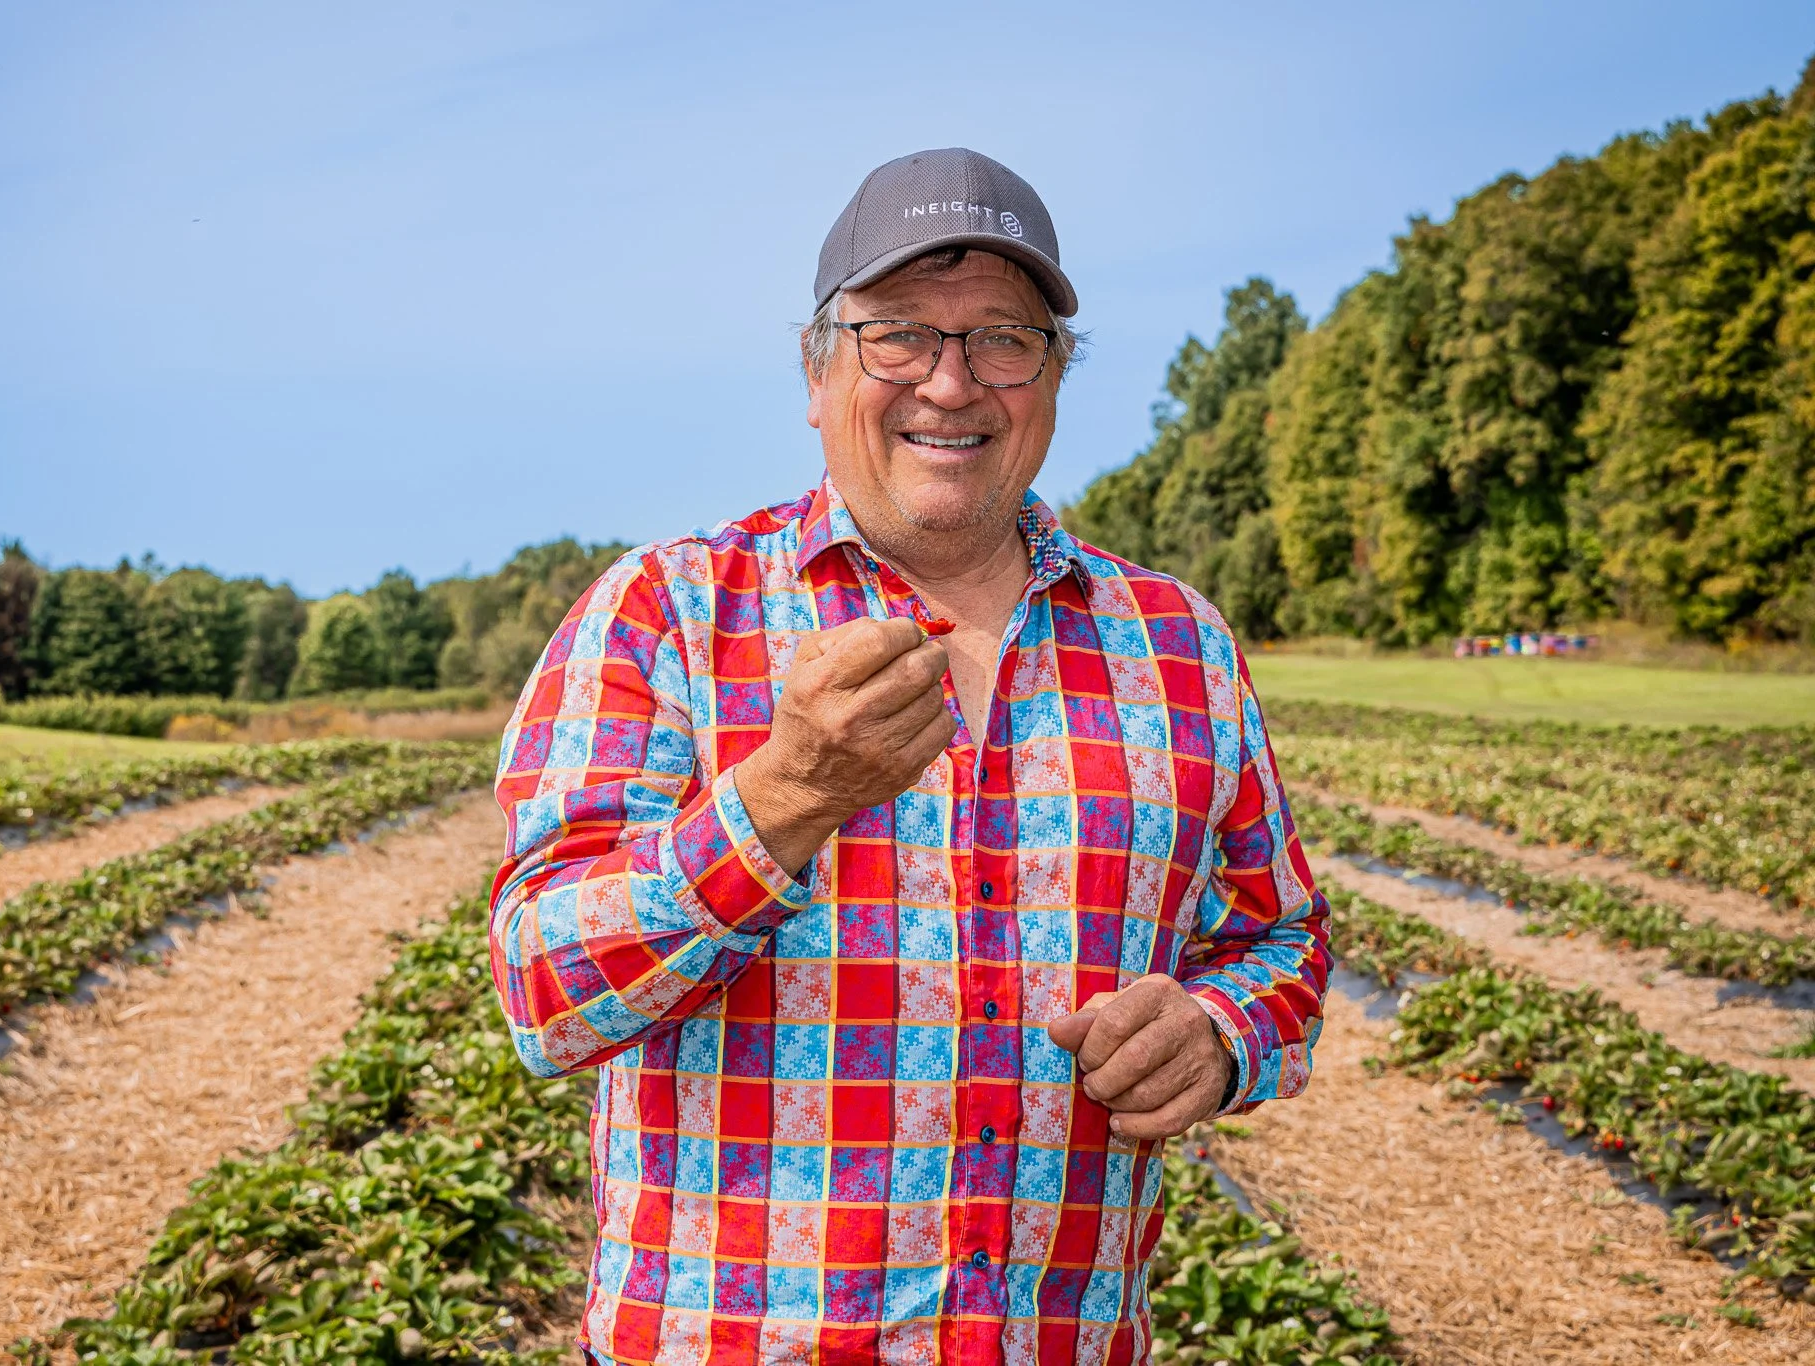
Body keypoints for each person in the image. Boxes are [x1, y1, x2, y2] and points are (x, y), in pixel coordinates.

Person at [490, 147, 1331, 1366]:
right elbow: (543, 996)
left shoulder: (1176, 642)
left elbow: (1281, 938)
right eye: (897, 334)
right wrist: (783, 799)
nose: (951, 381)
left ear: (1050, 377)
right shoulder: (666, 612)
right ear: (818, 365)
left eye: (1004, 337)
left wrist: (1219, 1031)